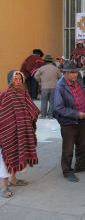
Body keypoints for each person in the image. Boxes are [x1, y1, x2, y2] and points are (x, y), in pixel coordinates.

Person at [0, 70, 39, 198]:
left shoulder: (24, 93)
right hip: (7, 133)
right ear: (10, 81)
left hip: (21, 131)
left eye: (20, 79)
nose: (18, 82)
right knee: (6, 158)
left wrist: (32, 116)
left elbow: (32, 109)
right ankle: (4, 187)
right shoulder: (5, 95)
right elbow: (2, 115)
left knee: (17, 154)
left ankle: (14, 180)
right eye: (15, 79)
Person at [54, 61, 85, 182]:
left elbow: (83, 95)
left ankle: (80, 166)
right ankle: (67, 171)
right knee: (68, 149)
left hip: (81, 119)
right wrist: (76, 114)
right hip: (68, 122)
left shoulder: (77, 82)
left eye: (76, 72)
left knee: (82, 145)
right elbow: (59, 108)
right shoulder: (60, 87)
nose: (75, 74)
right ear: (65, 73)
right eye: (72, 73)